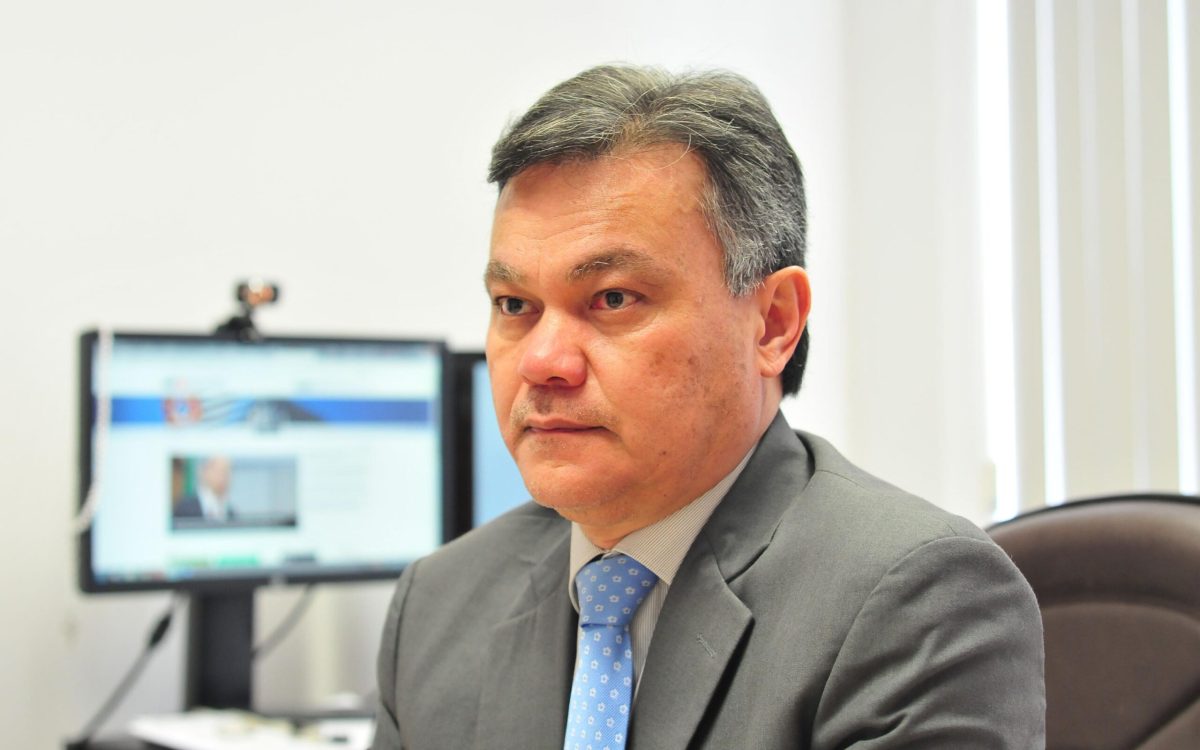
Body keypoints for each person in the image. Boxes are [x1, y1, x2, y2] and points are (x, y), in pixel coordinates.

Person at [371, 65, 1045, 749]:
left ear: (773, 323)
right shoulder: (439, 603)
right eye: (515, 305)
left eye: (613, 299)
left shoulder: (917, 599)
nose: (542, 361)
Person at [173, 455, 236, 522]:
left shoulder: (232, 514)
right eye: (219, 471)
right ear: (203, 472)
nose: (223, 477)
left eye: (227, 471)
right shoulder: (184, 508)